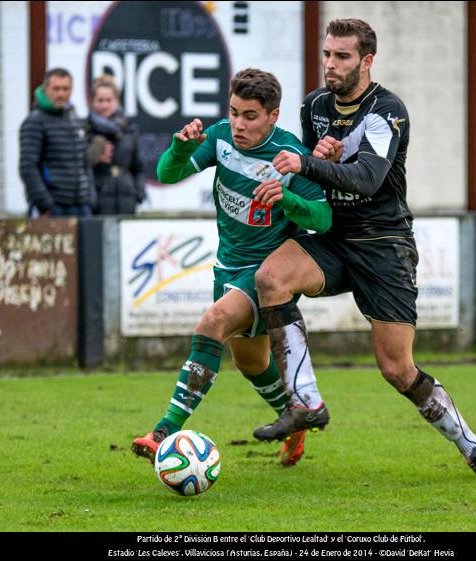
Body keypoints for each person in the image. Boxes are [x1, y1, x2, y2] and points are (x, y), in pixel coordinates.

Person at [251, 19, 476, 479]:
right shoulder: (315, 105)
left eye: (342, 56)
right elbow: (323, 175)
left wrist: (311, 162)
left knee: (397, 370)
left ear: (366, 61)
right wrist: (317, 163)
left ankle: (473, 447)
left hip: (382, 245)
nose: (331, 64)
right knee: (271, 278)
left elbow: (368, 179)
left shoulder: (386, 111)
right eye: (327, 54)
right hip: (334, 238)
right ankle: (305, 400)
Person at [131, 68, 332, 467]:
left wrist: (287, 201)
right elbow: (166, 173)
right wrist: (180, 148)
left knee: (212, 323)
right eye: (234, 111)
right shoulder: (221, 136)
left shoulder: (289, 156)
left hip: (265, 273)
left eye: (250, 116)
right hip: (227, 268)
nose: (239, 124)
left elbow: (323, 219)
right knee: (251, 362)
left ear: (273, 116)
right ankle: (292, 420)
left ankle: (164, 431)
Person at [19, 68, 96, 217]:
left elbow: (85, 163)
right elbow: (27, 167)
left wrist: (90, 198)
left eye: (65, 89)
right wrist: (44, 204)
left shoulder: (74, 118)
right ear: (46, 89)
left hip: (81, 205)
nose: (61, 94)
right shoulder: (34, 121)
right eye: (56, 89)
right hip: (53, 207)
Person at [87, 75, 147, 215]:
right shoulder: (85, 130)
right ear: (92, 102)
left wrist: (138, 193)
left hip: (127, 202)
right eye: (100, 100)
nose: (104, 105)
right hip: (97, 204)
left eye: (109, 100)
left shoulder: (129, 130)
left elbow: (139, 168)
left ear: (117, 101)